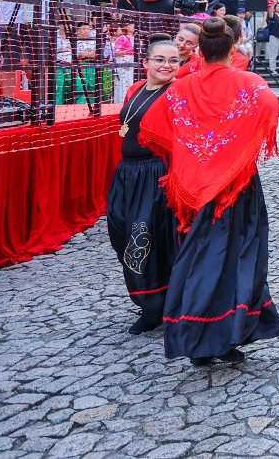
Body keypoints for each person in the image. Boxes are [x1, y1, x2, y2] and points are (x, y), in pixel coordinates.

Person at [139, 17, 279, 366]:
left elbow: (152, 125)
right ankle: (221, 333)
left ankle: (199, 336)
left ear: (200, 51)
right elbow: (269, 107)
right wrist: (235, 145)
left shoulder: (180, 88)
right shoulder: (250, 83)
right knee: (237, 258)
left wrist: (193, 150)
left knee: (198, 257)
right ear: (232, 50)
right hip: (236, 187)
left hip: (193, 188)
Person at [105, 35, 181, 335]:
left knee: (144, 238)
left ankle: (156, 306)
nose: (166, 65)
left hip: (155, 173)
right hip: (127, 173)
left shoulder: (177, 93)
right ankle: (148, 299)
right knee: (120, 231)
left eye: (173, 60)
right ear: (145, 62)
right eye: (160, 59)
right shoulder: (137, 89)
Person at [264, 2, 279, 76]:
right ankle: (272, 69)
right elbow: (270, 12)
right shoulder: (273, 16)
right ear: (275, 8)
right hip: (274, 36)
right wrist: (273, 4)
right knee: (273, 53)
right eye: (278, 6)